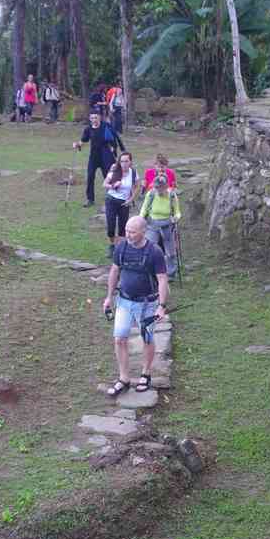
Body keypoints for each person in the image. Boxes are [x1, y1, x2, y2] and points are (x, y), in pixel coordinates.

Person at [103, 215, 169, 397]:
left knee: (147, 338)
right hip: (124, 301)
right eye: (126, 231)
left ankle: (145, 374)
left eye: (132, 232)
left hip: (147, 304)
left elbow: (162, 279)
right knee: (119, 338)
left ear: (143, 232)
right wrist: (109, 297)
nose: (128, 235)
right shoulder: (121, 247)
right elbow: (114, 270)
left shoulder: (155, 252)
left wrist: (161, 306)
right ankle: (123, 378)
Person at [73, 111, 124, 206]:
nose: (94, 120)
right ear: (90, 119)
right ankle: (90, 199)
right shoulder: (88, 129)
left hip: (106, 155)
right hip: (94, 156)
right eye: (92, 118)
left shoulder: (106, 126)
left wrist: (115, 149)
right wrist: (77, 144)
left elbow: (115, 138)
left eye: (96, 118)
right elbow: (84, 140)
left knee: (108, 176)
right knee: (90, 176)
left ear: (99, 117)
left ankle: (113, 196)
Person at [140, 171, 181, 278]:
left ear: (166, 186)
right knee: (149, 247)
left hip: (167, 225)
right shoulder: (151, 194)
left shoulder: (172, 195)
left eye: (160, 188)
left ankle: (171, 273)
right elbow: (144, 208)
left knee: (170, 250)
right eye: (156, 187)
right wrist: (140, 219)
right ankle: (150, 270)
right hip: (152, 224)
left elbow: (177, 212)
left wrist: (176, 218)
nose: (158, 190)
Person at [104, 151, 140, 260]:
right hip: (111, 200)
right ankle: (112, 244)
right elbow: (104, 184)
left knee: (122, 227)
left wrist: (131, 199)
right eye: (122, 161)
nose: (124, 164)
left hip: (124, 203)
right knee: (111, 225)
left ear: (130, 162)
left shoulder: (133, 173)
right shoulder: (114, 170)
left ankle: (119, 249)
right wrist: (113, 185)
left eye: (126, 161)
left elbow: (137, 186)